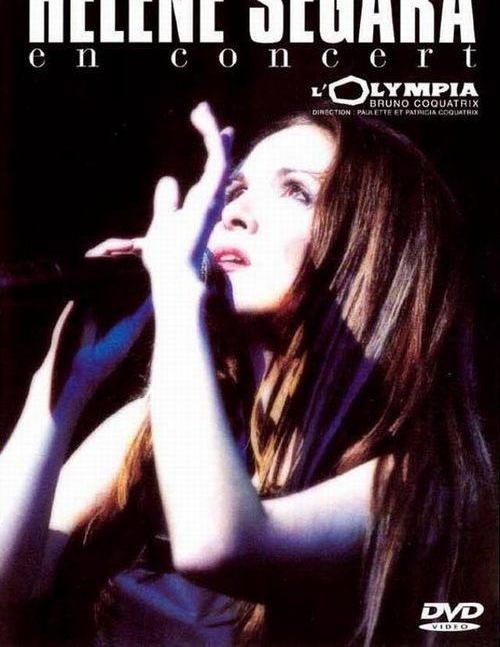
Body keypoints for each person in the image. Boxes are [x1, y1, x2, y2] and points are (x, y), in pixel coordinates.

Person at [0, 103, 495, 646]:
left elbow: (218, 545)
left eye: (296, 192)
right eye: (234, 189)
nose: (233, 213)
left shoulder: (411, 479)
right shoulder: (150, 428)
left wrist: (177, 294)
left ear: (374, 252)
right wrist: (64, 387)